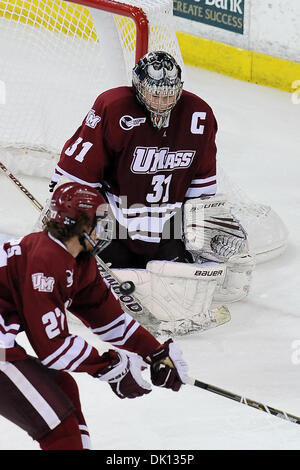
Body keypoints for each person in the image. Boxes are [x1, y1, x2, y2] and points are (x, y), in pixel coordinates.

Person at [0, 182, 188, 450]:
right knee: (57, 426)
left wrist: (155, 352)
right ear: (78, 225)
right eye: (99, 223)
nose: (104, 231)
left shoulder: (78, 261)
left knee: (62, 388)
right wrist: (111, 367)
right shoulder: (45, 260)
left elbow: (109, 319)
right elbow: (53, 348)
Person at [49, 50, 218, 269]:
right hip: (113, 231)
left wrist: (200, 236)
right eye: (155, 95)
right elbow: (77, 177)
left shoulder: (199, 115)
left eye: (168, 95)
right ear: (138, 86)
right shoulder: (114, 108)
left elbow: (202, 192)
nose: (162, 103)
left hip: (169, 232)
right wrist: (67, 216)